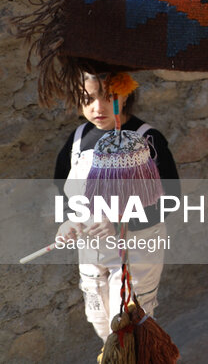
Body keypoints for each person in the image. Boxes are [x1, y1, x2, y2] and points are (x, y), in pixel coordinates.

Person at [53, 73, 179, 341]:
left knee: (130, 324)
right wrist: (68, 221)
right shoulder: (76, 140)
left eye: (109, 97)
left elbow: (170, 198)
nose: (98, 107)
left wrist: (121, 222)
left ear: (126, 93)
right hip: (92, 251)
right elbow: (62, 190)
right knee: (100, 320)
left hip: (136, 249)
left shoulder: (147, 139)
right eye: (87, 98)